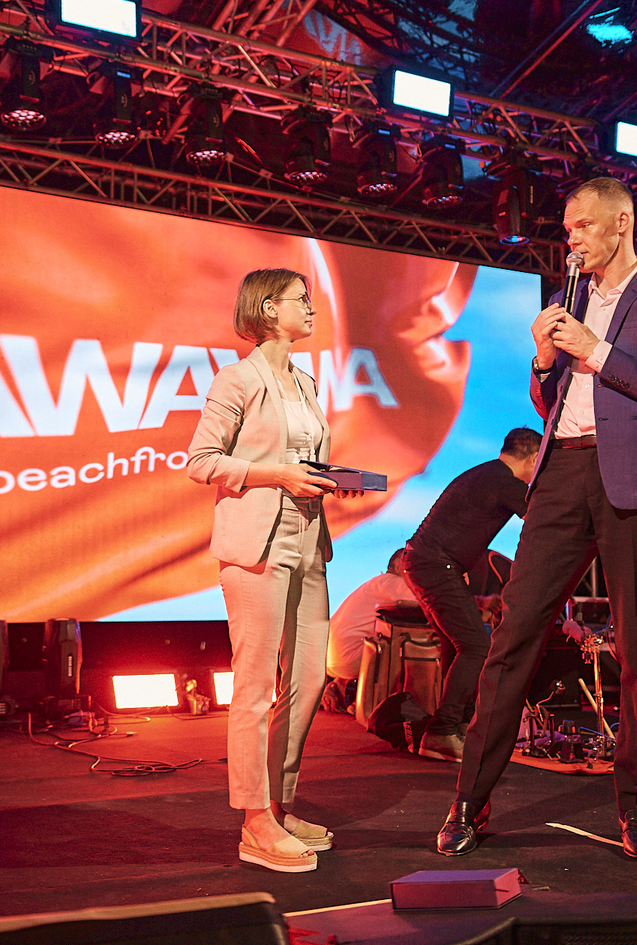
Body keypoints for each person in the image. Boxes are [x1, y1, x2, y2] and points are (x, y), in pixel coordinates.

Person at [435, 177, 637, 862]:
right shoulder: (570, 298)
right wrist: (544, 360)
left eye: (583, 226)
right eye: (567, 230)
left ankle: (635, 807)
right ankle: (468, 801)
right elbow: (551, 401)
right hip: (561, 473)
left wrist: (596, 349)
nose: (573, 240)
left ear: (622, 224)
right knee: (512, 633)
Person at [186, 267, 361, 875]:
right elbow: (201, 461)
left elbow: (304, 459)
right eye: (300, 300)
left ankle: (280, 806)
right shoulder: (237, 378)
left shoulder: (305, 381)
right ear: (267, 308)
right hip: (258, 541)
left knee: (308, 680)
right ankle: (254, 820)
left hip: (309, 538)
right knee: (255, 686)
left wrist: (330, 479)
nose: (311, 308)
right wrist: (278, 475)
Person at [402, 428, 541, 762]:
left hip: (423, 562)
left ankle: (455, 728)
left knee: (457, 646)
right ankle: (442, 731)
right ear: (534, 458)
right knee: (475, 647)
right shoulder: (504, 481)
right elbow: (542, 516)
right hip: (436, 565)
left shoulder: (484, 473)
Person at [325, 549, 418, 683]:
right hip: (349, 657)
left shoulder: (377, 584)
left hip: (331, 661)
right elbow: (424, 599)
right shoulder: (390, 582)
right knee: (409, 647)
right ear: (399, 566)